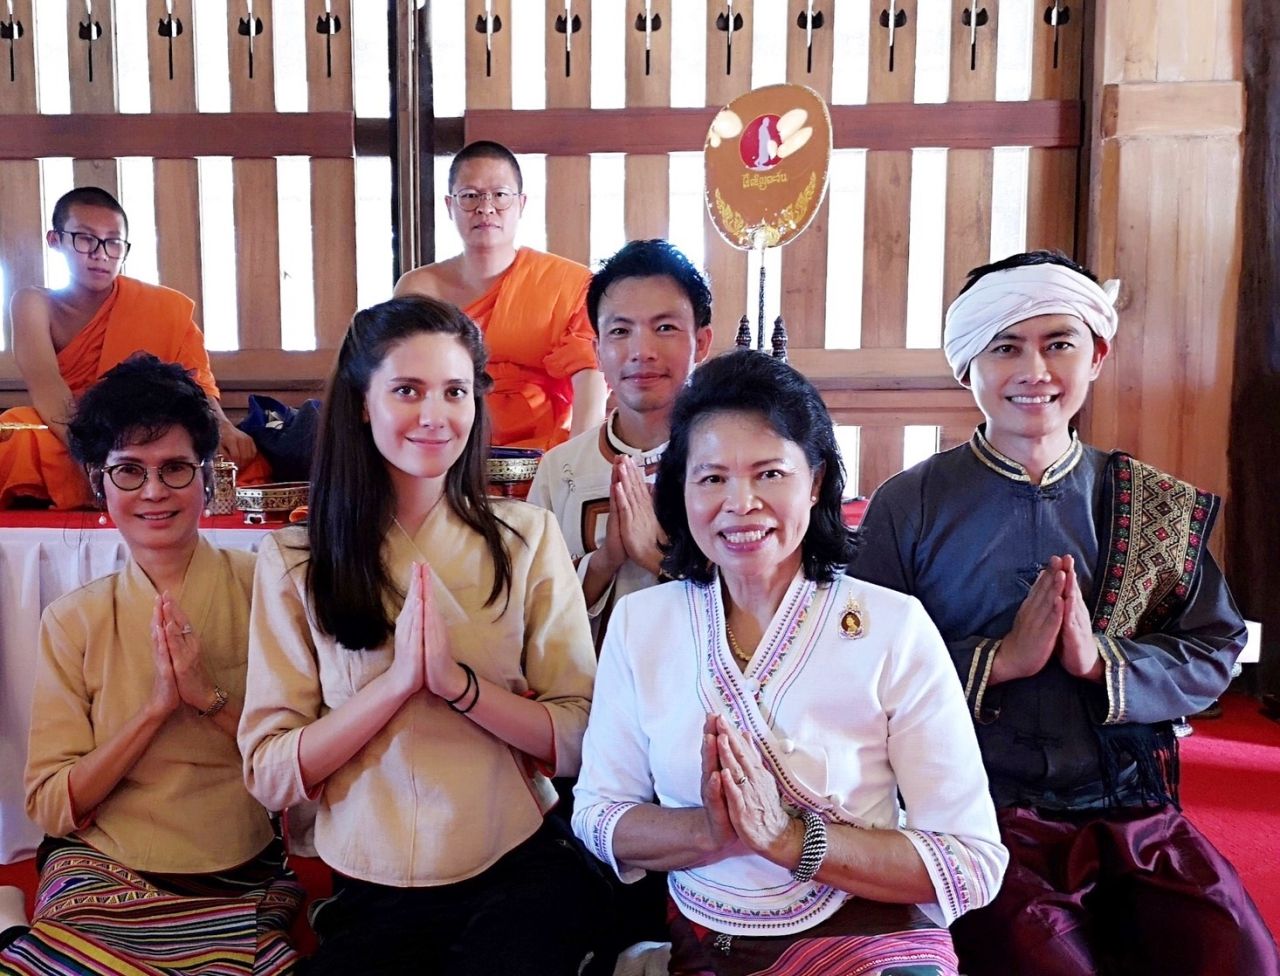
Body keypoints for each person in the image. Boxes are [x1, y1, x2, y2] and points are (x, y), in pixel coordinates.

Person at [848, 250, 1280, 976]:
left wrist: (1099, 662)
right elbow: (855, 668)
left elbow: (1214, 647)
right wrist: (998, 661)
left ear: (1098, 354)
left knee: (1242, 960)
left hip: (1132, 808)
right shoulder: (910, 504)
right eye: (1006, 347)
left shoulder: (1150, 502)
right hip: (980, 813)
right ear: (967, 367)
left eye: (1058, 343)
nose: (1035, 371)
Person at [573, 350, 1007, 976]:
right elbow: (597, 813)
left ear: (818, 481)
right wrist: (710, 833)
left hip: (869, 932)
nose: (739, 503)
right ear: (681, 490)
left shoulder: (893, 625)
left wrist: (784, 840)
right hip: (710, 937)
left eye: (769, 474)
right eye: (712, 478)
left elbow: (972, 860)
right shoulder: (645, 623)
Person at [238, 296, 605, 974]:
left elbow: (580, 736)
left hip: (513, 862)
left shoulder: (526, 539)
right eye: (408, 390)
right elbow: (269, 770)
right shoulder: (298, 556)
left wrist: (458, 688)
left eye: (455, 392)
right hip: (368, 875)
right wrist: (399, 686)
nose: (436, 416)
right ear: (360, 403)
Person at [0, 354, 300, 974]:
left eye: (174, 469)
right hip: (105, 868)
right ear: (97, 482)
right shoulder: (74, 619)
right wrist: (155, 710)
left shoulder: (268, 591)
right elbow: (53, 804)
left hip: (237, 866)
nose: (154, 491)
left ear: (208, 477)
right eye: (129, 471)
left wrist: (208, 698)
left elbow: (302, 763)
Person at [0, 186, 265, 510]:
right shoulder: (33, 303)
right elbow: (48, 388)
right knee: (16, 431)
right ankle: (108, 480)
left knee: (232, 453)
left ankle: (117, 480)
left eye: (113, 242)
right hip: (71, 432)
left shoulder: (161, 306)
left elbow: (195, 385)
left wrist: (223, 426)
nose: (101, 254)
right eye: (85, 238)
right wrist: (93, 455)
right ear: (55, 240)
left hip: (150, 431)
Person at [528, 239, 714, 648]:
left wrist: (656, 558)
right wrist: (605, 560)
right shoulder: (560, 470)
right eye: (620, 331)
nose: (641, 351)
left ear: (701, 342)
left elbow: (763, 595)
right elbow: (530, 611)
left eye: (665, 328)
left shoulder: (725, 466)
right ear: (597, 350)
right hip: (587, 704)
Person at [393, 141, 606, 450]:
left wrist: (574, 465)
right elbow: (404, 381)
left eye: (500, 195)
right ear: (449, 206)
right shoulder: (419, 289)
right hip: (445, 446)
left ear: (521, 204)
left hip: (544, 453)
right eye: (470, 196)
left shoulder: (570, 283)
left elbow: (590, 376)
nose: (486, 207)